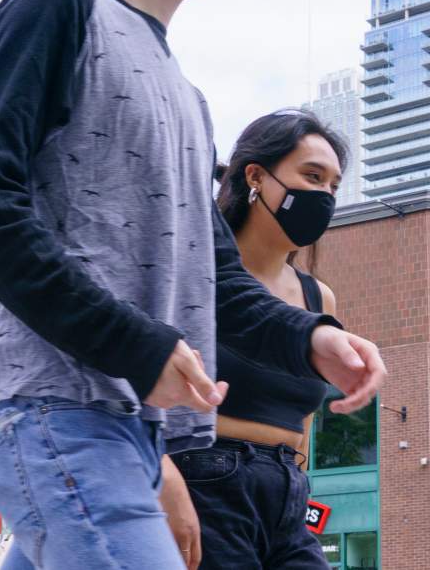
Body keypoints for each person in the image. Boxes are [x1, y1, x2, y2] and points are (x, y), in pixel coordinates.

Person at [0, 0, 386, 570]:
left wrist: (312, 338)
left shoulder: (188, 97)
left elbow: (218, 283)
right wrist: (137, 347)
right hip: (49, 406)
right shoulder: (59, 3)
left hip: (128, 429)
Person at [162, 110, 346, 569]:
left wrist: (298, 487)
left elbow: (305, 420)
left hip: (288, 490)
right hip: (205, 478)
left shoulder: (316, 297)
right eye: (311, 175)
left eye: (333, 185)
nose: (323, 194)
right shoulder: (193, 272)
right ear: (256, 177)